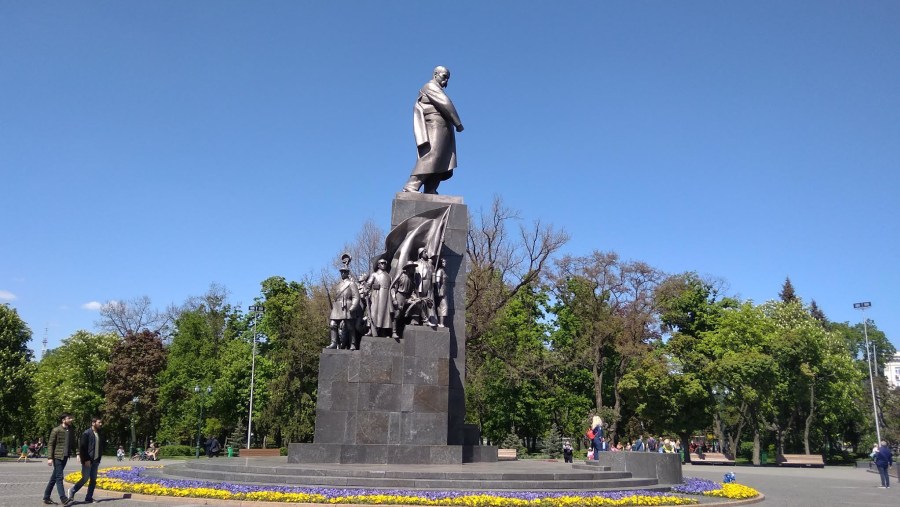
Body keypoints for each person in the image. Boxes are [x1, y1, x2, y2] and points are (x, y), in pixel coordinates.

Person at [402, 66, 464, 194]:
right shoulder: (430, 86)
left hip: (444, 127)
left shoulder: (437, 88)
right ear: (435, 74)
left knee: (443, 158)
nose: (446, 81)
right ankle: (411, 185)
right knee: (433, 154)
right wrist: (458, 123)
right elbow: (445, 103)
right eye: (444, 76)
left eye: (447, 78)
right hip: (435, 125)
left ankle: (431, 188)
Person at [68, 416, 104, 504]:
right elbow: (82, 447)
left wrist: (99, 457)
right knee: (85, 478)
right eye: (99, 422)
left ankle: (89, 497)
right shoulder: (86, 433)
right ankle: (72, 490)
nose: (101, 424)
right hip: (88, 460)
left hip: (96, 460)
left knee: (93, 479)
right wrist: (86, 459)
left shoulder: (99, 433)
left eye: (101, 423)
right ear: (93, 423)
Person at [44, 412, 77, 505]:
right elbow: (50, 444)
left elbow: (73, 443)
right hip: (57, 457)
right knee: (59, 477)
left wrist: (78, 453)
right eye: (69, 418)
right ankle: (63, 498)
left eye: (71, 418)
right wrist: (50, 457)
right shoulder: (56, 430)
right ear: (63, 420)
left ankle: (46, 497)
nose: (71, 420)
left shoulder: (71, 430)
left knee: (54, 477)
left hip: (65, 456)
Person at [326, 265, 361, 350]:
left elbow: (356, 296)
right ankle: (333, 343)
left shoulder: (351, 283)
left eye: (344, 272)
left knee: (350, 326)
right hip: (338, 306)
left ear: (347, 273)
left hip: (347, 305)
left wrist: (353, 306)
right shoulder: (338, 285)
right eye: (341, 272)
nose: (342, 273)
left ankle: (353, 343)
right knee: (333, 324)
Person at [365, 259, 393, 337]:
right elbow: (368, 284)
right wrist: (366, 290)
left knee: (385, 314)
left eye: (384, 263)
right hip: (376, 296)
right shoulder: (374, 274)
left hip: (386, 296)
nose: (383, 264)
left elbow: (392, 288)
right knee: (373, 313)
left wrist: (393, 298)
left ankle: (384, 332)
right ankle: (371, 330)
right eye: (381, 263)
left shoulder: (389, 276)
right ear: (378, 265)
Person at [391, 262, 416, 338]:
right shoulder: (401, 275)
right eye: (412, 267)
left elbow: (412, 290)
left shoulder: (412, 278)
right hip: (400, 296)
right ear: (408, 268)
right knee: (397, 314)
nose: (413, 269)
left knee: (408, 313)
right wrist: (394, 299)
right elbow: (392, 287)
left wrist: (413, 296)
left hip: (408, 297)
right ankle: (393, 332)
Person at [434, 258, 449, 327]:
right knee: (443, 307)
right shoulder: (440, 271)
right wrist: (438, 291)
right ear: (440, 263)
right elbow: (437, 281)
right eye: (443, 262)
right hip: (441, 292)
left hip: (444, 292)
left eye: (445, 262)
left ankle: (441, 323)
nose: (445, 264)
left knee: (443, 307)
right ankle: (441, 323)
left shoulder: (443, 271)